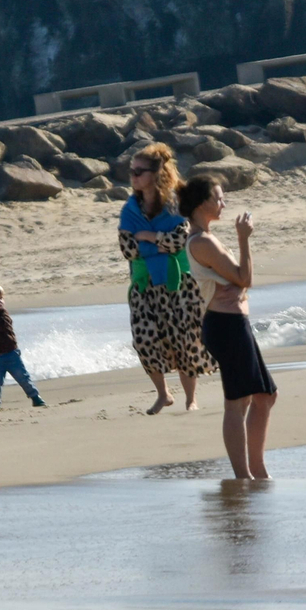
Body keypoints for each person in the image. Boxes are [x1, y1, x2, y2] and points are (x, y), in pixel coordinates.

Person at [178, 176, 275, 479]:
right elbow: (244, 278)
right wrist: (243, 238)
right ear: (201, 204)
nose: (223, 203)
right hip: (225, 325)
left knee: (264, 396)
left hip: (234, 323)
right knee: (237, 402)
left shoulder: (206, 237)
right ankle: (244, 475)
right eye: (218, 198)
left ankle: (256, 470)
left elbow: (240, 280)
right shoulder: (202, 241)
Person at [118, 143, 216, 415]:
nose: (133, 176)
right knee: (144, 341)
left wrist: (149, 238)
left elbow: (180, 241)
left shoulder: (175, 204)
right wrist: (160, 243)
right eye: (131, 171)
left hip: (180, 283)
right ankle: (163, 394)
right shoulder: (129, 209)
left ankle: (191, 399)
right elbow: (128, 249)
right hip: (144, 285)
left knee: (185, 341)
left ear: (156, 174)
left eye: (139, 171)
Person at [0, 282, 45, 412]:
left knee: (23, 377)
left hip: (11, 354)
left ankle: (35, 397)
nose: (0, 301)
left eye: (1, 298)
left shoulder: (3, 314)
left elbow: (1, 327)